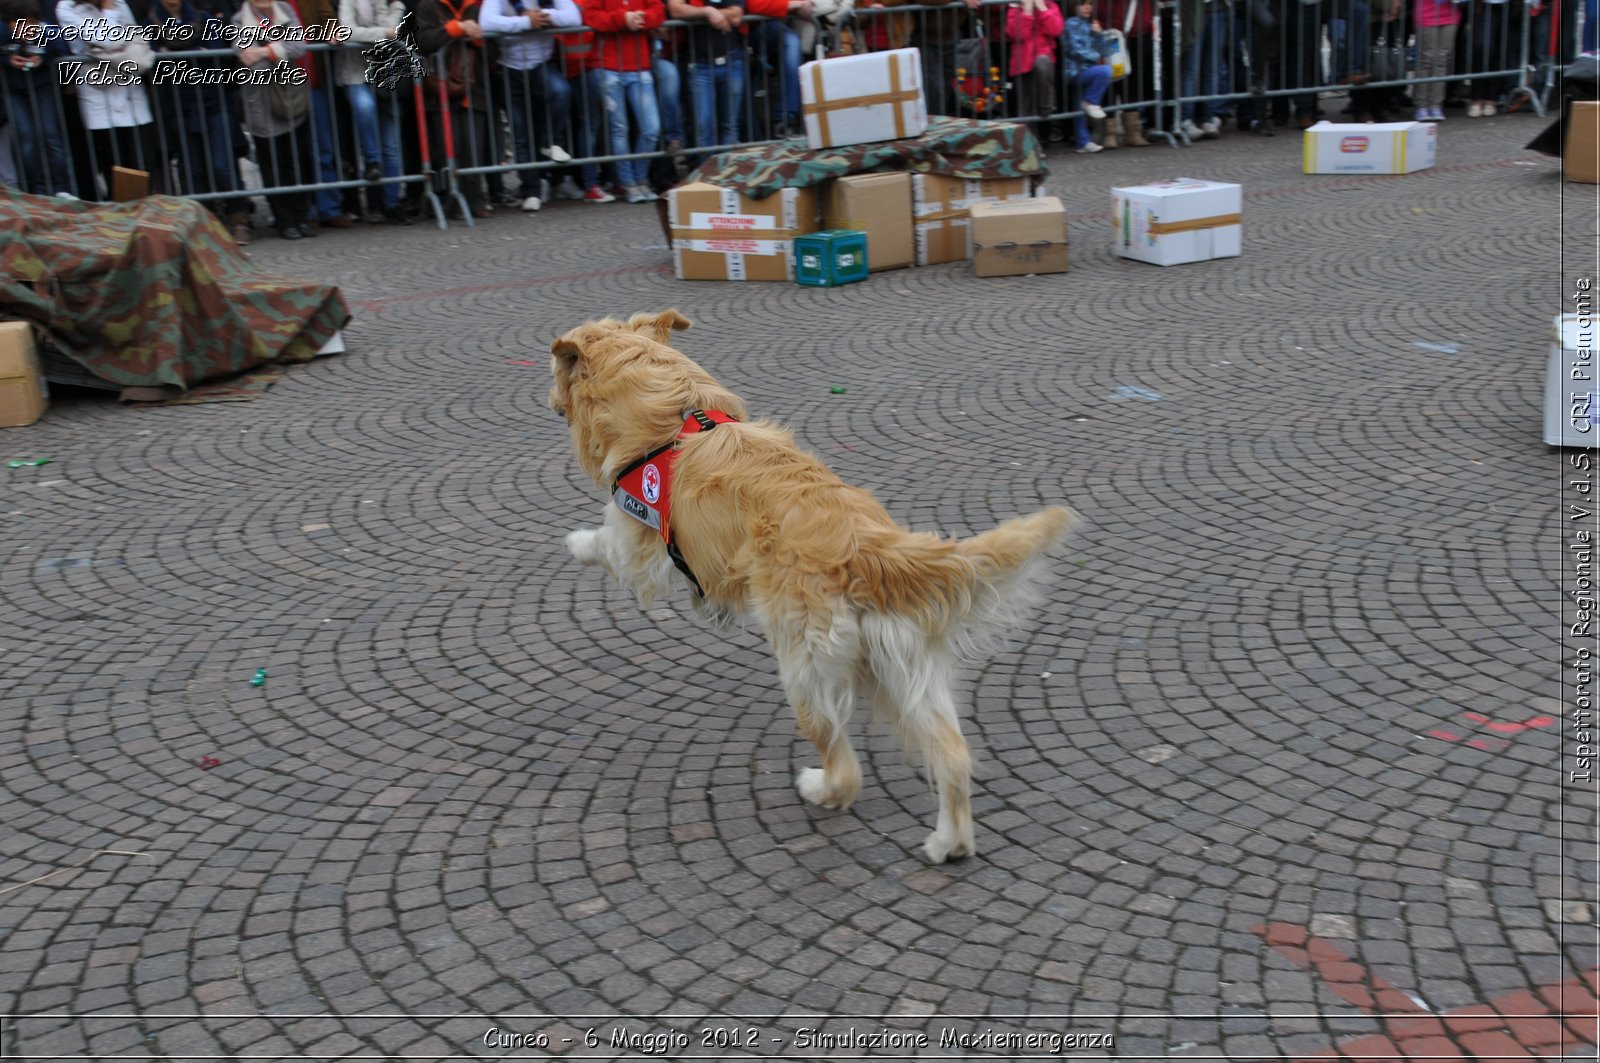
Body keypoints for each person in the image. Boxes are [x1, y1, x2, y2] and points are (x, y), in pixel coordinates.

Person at [144, 0, 252, 238]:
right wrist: (190, 53)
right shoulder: (151, 23)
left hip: (213, 99)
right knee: (192, 169)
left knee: (222, 164)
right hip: (178, 105)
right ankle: (204, 223)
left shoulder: (204, 19)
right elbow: (154, 61)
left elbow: (214, 54)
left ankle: (239, 216)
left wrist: (171, 53)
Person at [56, 0, 166, 196]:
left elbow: (135, 40)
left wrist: (106, 51)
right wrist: (109, 12)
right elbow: (108, 39)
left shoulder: (119, 3)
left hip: (132, 95)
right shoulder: (66, 8)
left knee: (143, 164)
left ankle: (146, 219)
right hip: (99, 98)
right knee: (114, 168)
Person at [479, 0, 580, 211]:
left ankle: (549, 141)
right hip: (509, 68)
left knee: (561, 92)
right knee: (519, 130)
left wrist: (544, 16)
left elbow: (574, 16)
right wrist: (525, 22)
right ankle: (530, 190)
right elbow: (486, 22)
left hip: (541, 64)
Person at [233, 0, 318, 236]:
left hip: (290, 98)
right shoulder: (240, 20)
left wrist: (264, 50)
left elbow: (299, 46)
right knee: (272, 163)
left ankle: (302, 217)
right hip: (260, 102)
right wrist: (279, 50)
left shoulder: (286, 11)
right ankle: (284, 220)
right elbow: (253, 67)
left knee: (298, 160)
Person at [413, 0, 494, 215]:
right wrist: (456, 29)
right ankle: (453, 201)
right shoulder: (428, 7)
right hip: (439, 87)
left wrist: (479, 41)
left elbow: (494, 50)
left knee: (473, 146)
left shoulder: (475, 8)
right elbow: (423, 41)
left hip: (473, 88)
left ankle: (475, 199)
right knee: (448, 147)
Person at [337, 0, 411, 221]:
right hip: (354, 73)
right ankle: (371, 163)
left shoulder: (394, 4)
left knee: (390, 145)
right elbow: (348, 31)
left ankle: (390, 202)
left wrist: (374, 34)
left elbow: (392, 33)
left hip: (385, 76)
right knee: (365, 107)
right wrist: (381, 33)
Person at [583, 0, 663, 203]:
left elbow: (659, 10)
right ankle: (629, 182)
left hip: (638, 65)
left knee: (651, 128)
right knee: (620, 129)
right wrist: (623, 18)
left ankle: (638, 178)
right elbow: (590, 16)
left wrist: (642, 19)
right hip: (607, 66)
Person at [0, 0, 75, 196]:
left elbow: (66, 52)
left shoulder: (48, 32)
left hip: (44, 87)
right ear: (8, 23)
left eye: (32, 24)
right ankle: (37, 188)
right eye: (20, 24)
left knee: (51, 136)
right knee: (27, 138)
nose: (28, 30)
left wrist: (44, 59)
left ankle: (61, 188)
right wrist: (7, 60)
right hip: (14, 90)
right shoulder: (1, 32)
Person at [667, 0, 744, 152]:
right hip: (699, 64)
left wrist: (707, 14)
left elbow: (737, 15)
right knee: (703, 126)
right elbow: (675, 10)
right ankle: (707, 174)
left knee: (730, 126)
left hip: (731, 61)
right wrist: (707, 12)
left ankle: (726, 173)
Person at [1004, 0, 1063, 142]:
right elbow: (1018, 34)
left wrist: (1042, 8)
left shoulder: (1050, 6)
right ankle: (1032, 146)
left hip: (1043, 57)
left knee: (1042, 63)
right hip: (1021, 62)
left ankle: (1046, 106)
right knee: (1026, 107)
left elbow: (1056, 29)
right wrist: (1027, 12)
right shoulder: (1014, 9)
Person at [1059, 0, 1110, 152]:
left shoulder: (1089, 25)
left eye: (1089, 4)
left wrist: (1099, 35)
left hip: (1086, 70)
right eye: (1083, 4)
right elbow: (1075, 50)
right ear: (1074, 7)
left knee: (1077, 104)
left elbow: (1104, 50)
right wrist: (1094, 56)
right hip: (1075, 71)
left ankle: (1082, 142)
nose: (1087, 7)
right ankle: (1090, 101)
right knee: (1105, 71)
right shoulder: (1070, 24)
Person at [913, 0, 979, 115]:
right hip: (925, 38)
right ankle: (933, 122)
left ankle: (940, 120)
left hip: (951, 34)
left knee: (948, 84)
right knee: (934, 86)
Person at [1177, 0, 1229, 139]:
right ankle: (1186, 119)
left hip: (1217, 9)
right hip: (1193, 12)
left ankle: (1207, 118)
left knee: (1212, 68)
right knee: (1191, 69)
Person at [1412, 0, 1458, 119]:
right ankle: (1422, 105)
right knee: (1426, 59)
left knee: (1442, 60)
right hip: (1426, 13)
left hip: (1450, 14)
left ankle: (1436, 104)